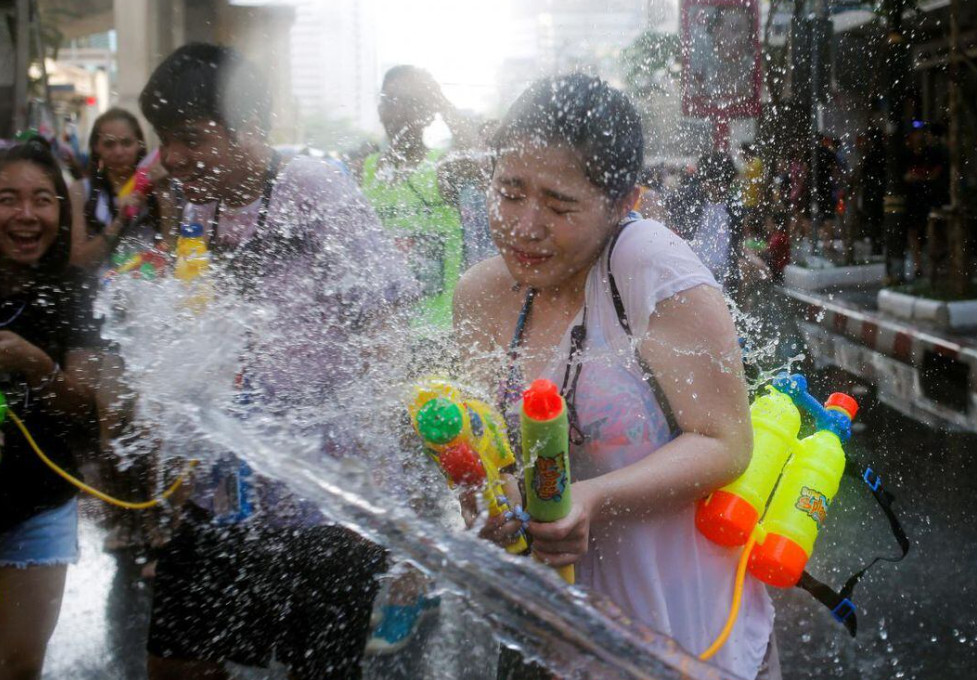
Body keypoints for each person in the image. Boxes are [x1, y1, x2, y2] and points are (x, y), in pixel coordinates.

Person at [453, 75, 776, 680]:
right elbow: (487, 450)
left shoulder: (645, 265)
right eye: (510, 191)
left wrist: (592, 499)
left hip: (686, 640)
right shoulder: (481, 295)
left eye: (558, 204)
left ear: (624, 202)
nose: (525, 226)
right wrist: (486, 505)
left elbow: (726, 441)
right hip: (549, 642)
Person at [138, 43, 416, 680]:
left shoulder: (314, 187)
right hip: (227, 486)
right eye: (164, 139)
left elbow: (384, 327)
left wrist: (372, 473)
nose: (172, 157)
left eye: (190, 138)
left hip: (328, 493)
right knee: (176, 662)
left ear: (251, 126)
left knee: (316, 671)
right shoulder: (196, 207)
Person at [0, 140, 101, 679]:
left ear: (61, 211)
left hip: (39, 505)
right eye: (7, 198)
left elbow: (82, 406)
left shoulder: (74, 291)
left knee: (18, 665)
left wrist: (33, 362)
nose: (25, 214)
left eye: (42, 199)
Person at [359, 65, 473, 332]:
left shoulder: (442, 168)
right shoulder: (362, 173)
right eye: (389, 101)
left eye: (410, 102)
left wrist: (442, 102)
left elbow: (480, 160)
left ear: (427, 113)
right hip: (383, 337)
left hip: (438, 333)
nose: (397, 112)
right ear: (379, 109)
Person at [68, 108, 169, 273]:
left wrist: (164, 190)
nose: (119, 152)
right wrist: (119, 221)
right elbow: (79, 260)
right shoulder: (81, 190)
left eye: (127, 143)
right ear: (96, 147)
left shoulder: (158, 183)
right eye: (109, 144)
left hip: (149, 288)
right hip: (99, 291)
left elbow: (171, 246)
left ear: (139, 144)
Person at [688, 152, 740, 288]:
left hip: (724, 274)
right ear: (703, 181)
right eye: (715, 183)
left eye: (725, 183)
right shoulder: (691, 204)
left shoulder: (733, 208)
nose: (720, 188)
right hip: (694, 274)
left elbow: (736, 242)